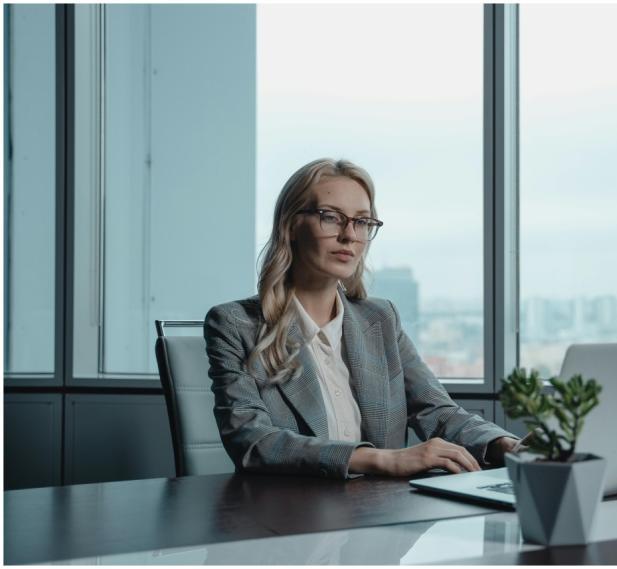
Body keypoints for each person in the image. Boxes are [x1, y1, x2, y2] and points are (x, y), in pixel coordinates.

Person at [204, 158, 519, 479]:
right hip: (288, 516)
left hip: (381, 514)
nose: (349, 235)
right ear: (291, 225)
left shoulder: (381, 318)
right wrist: (383, 459)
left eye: (362, 222)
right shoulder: (235, 324)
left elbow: (436, 411)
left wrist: (507, 446)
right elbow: (253, 441)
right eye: (331, 217)